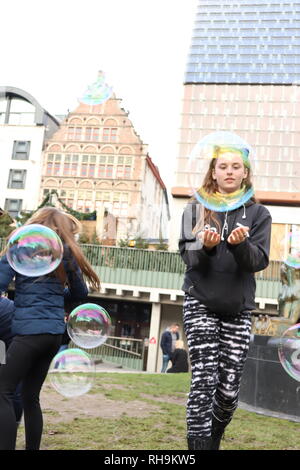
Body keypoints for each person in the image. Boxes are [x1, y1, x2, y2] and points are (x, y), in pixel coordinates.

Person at [179, 145, 272, 450]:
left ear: (245, 173)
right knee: (204, 380)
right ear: (213, 173)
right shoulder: (195, 208)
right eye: (223, 166)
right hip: (200, 303)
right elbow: (190, 261)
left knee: (228, 393)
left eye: (236, 166)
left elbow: (257, 261)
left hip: (238, 309)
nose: (229, 171)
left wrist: (239, 245)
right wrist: (205, 247)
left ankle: (213, 440)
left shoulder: (259, 214)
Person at [0, 207, 101, 450]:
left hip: (28, 334)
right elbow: (80, 293)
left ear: (38, 222)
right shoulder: (64, 254)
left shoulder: (21, 248)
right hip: (53, 336)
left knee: (2, 391)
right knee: (31, 397)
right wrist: (55, 296)